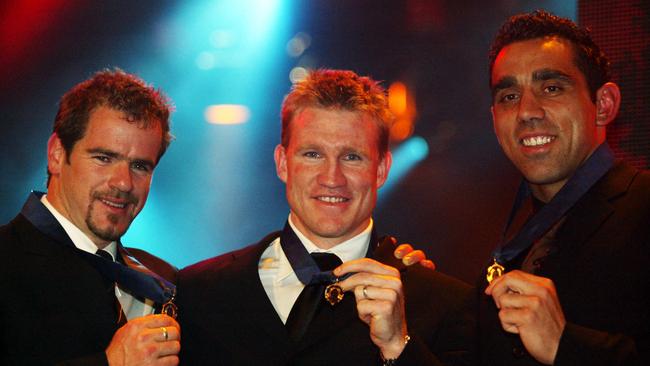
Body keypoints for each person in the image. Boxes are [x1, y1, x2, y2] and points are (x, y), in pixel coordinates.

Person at [177, 69, 472, 365]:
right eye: (313, 154)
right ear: (282, 163)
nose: (332, 178)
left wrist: (399, 347)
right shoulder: (199, 291)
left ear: (381, 170)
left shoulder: (444, 304)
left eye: (352, 157)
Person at [479, 10, 649, 365]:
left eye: (552, 88)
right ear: (494, 120)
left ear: (603, 106)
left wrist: (563, 344)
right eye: (509, 96)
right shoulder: (493, 235)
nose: (527, 111)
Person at [0, 69, 181, 365]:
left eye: (140, 166)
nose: (123, 182)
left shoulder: (163, 279)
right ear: (57, 154)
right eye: (104, 158)